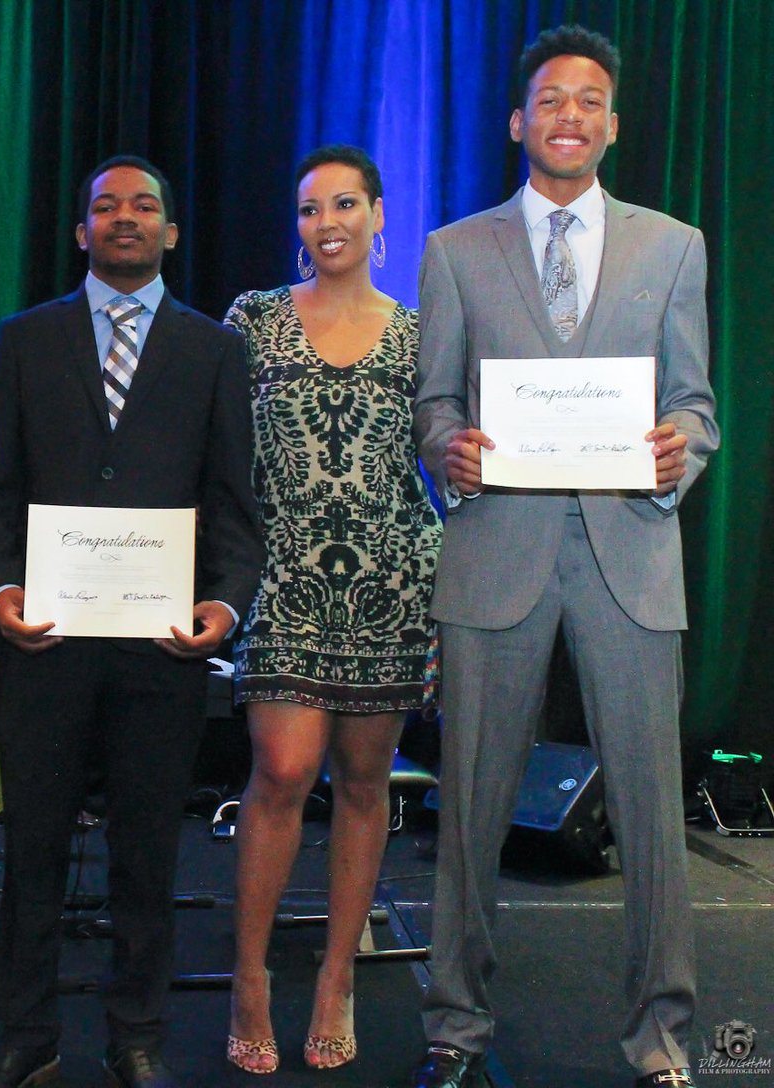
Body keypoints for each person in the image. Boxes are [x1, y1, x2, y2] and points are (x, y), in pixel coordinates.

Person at [410, 25, 717, 1088]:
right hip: (496, 555)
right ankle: (454, 1026)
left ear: (614, 123)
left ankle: (662, 1038)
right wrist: (446, 444)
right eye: (552, 100)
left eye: (590, 100)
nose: (571, 116)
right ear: (518, 121)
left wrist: (682, 447)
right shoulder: (455, 250)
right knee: (470, 811)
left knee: (650, 812)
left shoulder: (675, 246)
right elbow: (434, 403)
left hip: (632, 552)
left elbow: (696, 403)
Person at [0, 155, 262, 1088]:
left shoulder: (216, 350)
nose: (124, 218)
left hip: (162, 651)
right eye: (105, 206)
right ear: (82, 231)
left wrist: (224, 602)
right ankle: (28, 1033)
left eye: (144, 207)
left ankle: (137, 1035)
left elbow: (234, 504)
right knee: (34, 848)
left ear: (171, 232)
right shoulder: (22, 340)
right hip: (42, 643)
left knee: (146, 850)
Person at [222, 145, 442, 1075]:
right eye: (310, 209)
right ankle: (249, 976)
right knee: (281, 768)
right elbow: (214, 447)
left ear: (380, 215)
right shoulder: (254, 319)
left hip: (392, 581)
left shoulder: (421, 332)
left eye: (345, 204)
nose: (327, 223)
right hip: (284, 576)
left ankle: (336, 978)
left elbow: (449, 456)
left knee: (362, 783)